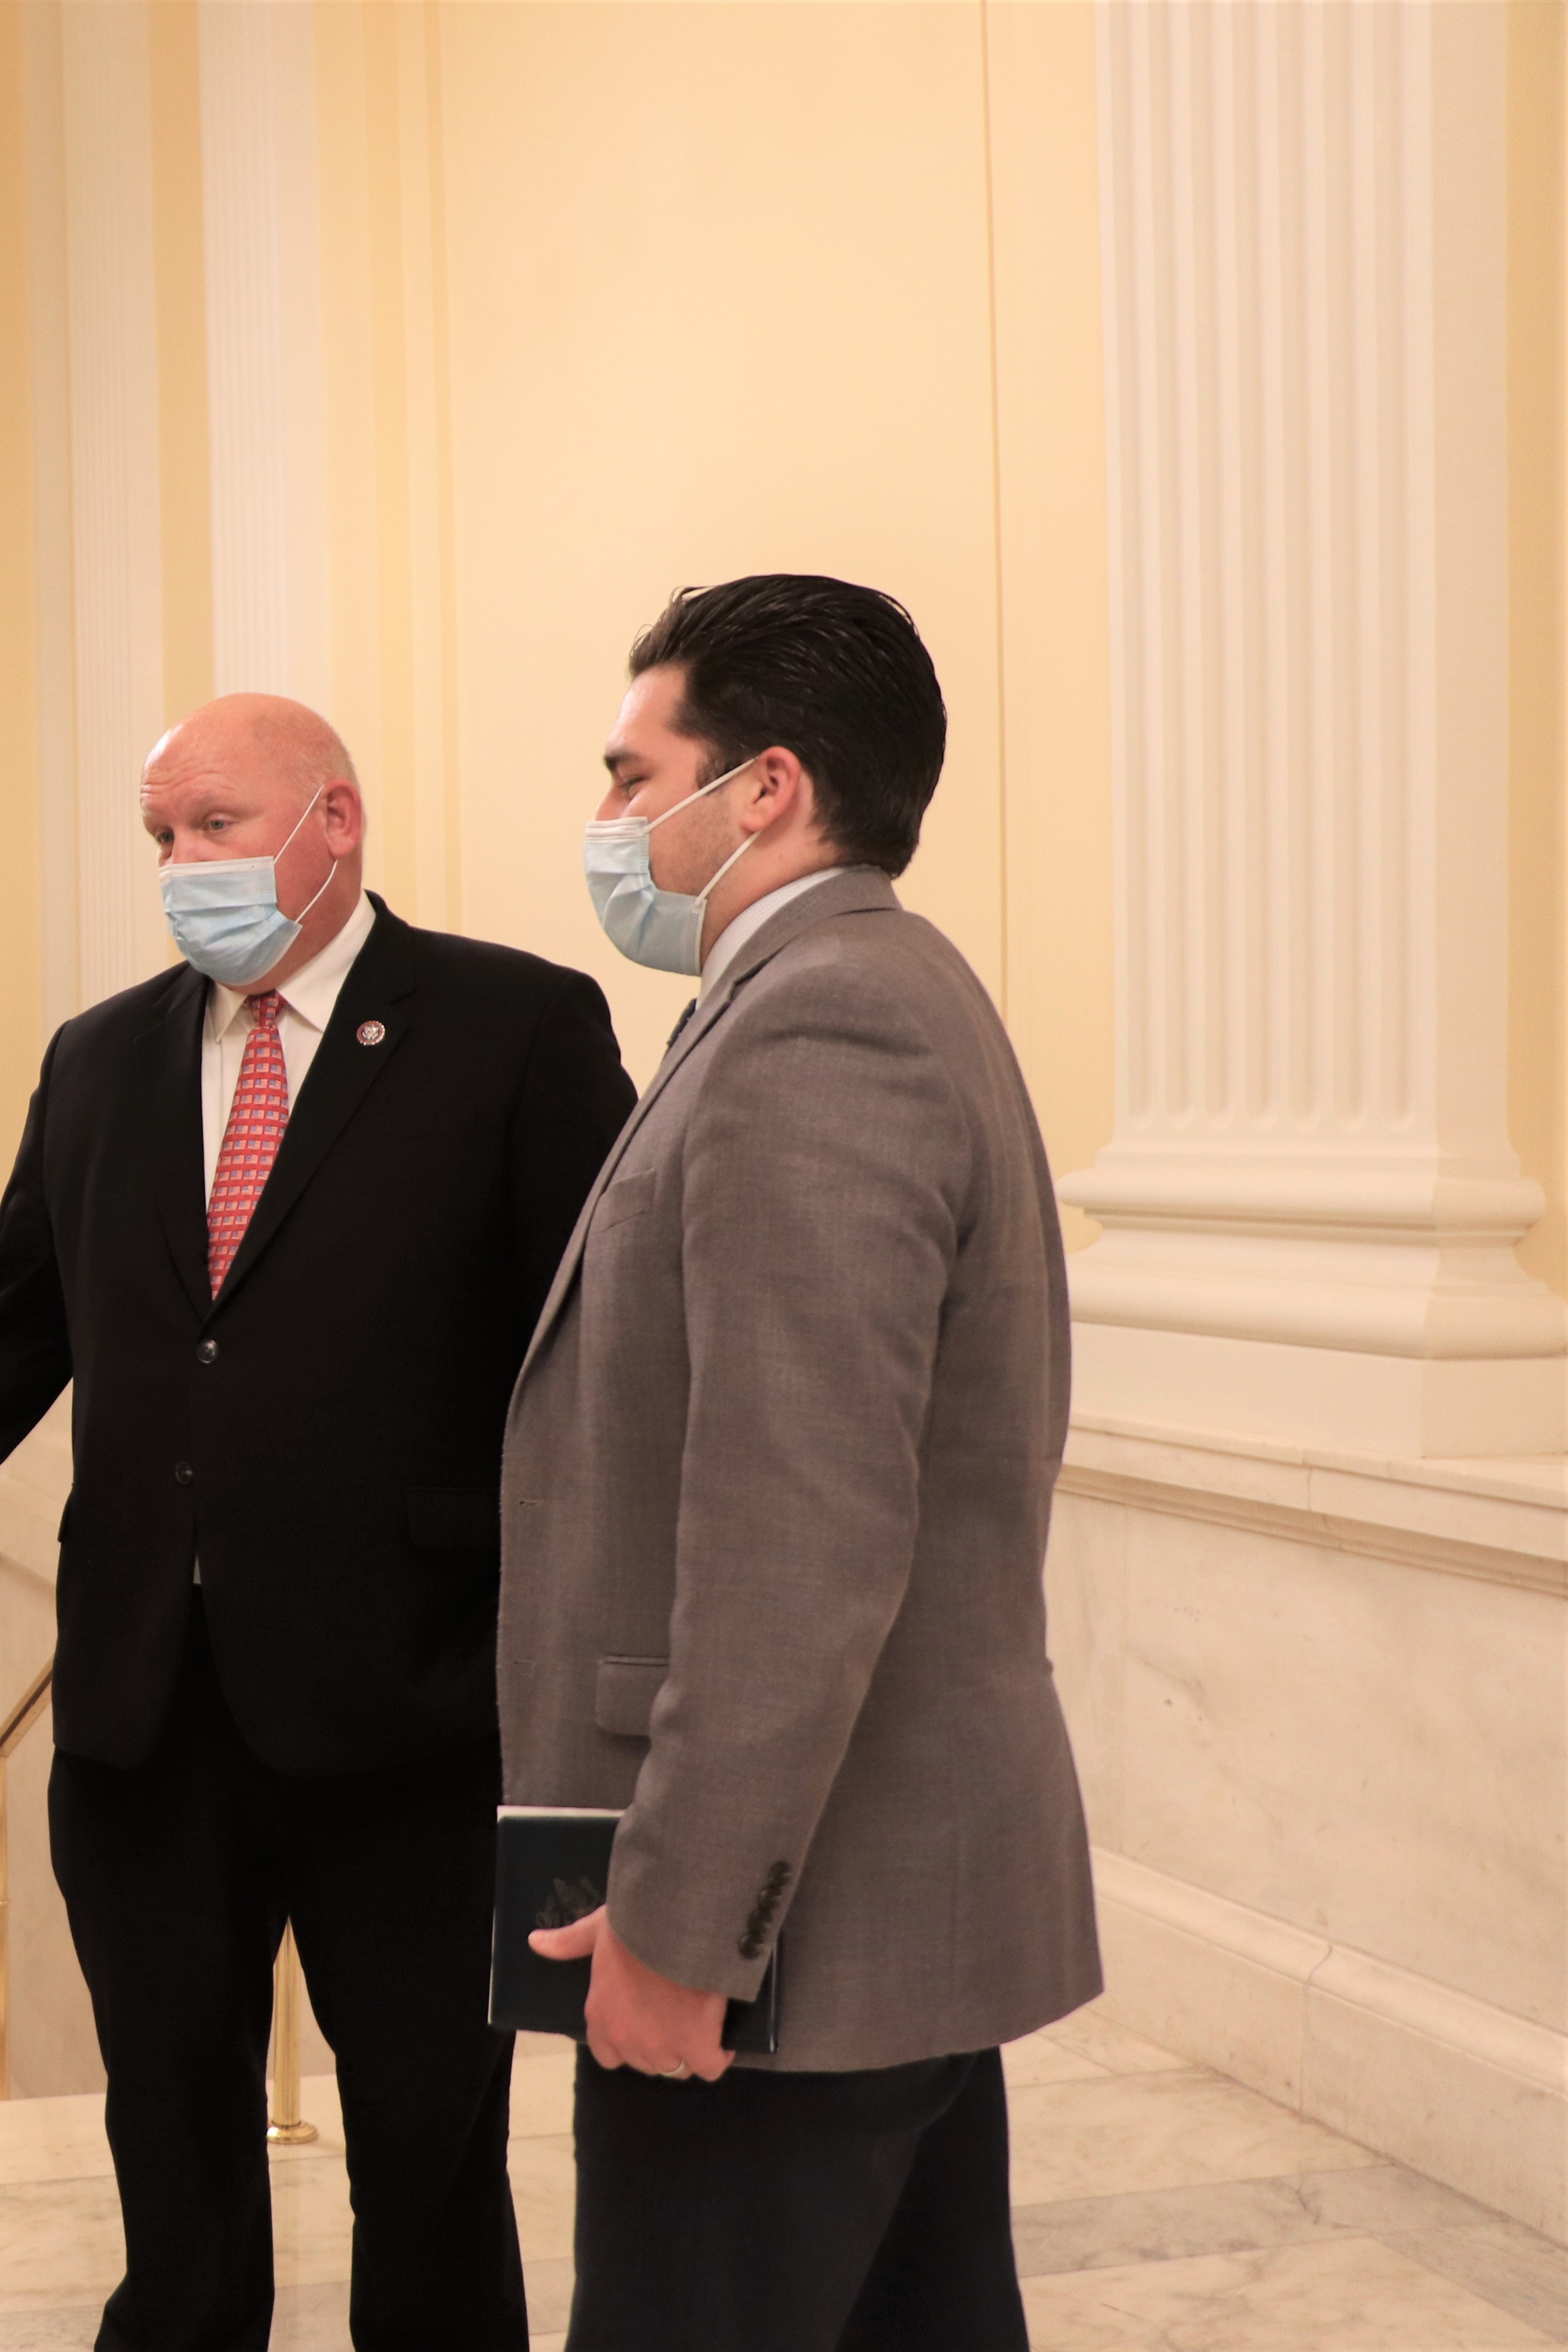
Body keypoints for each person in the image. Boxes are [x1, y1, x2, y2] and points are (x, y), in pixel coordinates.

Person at [0, 695, 636, 2351]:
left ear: (333, 823)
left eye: (215, 826)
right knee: (171, 2148)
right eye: (162, 838)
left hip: (417, 1712)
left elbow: (607, 1346)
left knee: (431, 2163)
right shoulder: (101, 1057)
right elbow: (18, 1331)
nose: (181, 866)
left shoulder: (516, 1028)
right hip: (149, 1717)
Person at [501, 576, 1099, 2350]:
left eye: (632, 775)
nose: (609, 823)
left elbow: (801, 1531)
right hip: (877, 1909)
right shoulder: (856, 989)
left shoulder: (820, 1023)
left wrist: (687, 1924)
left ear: (761, 788)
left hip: (794, 1941)